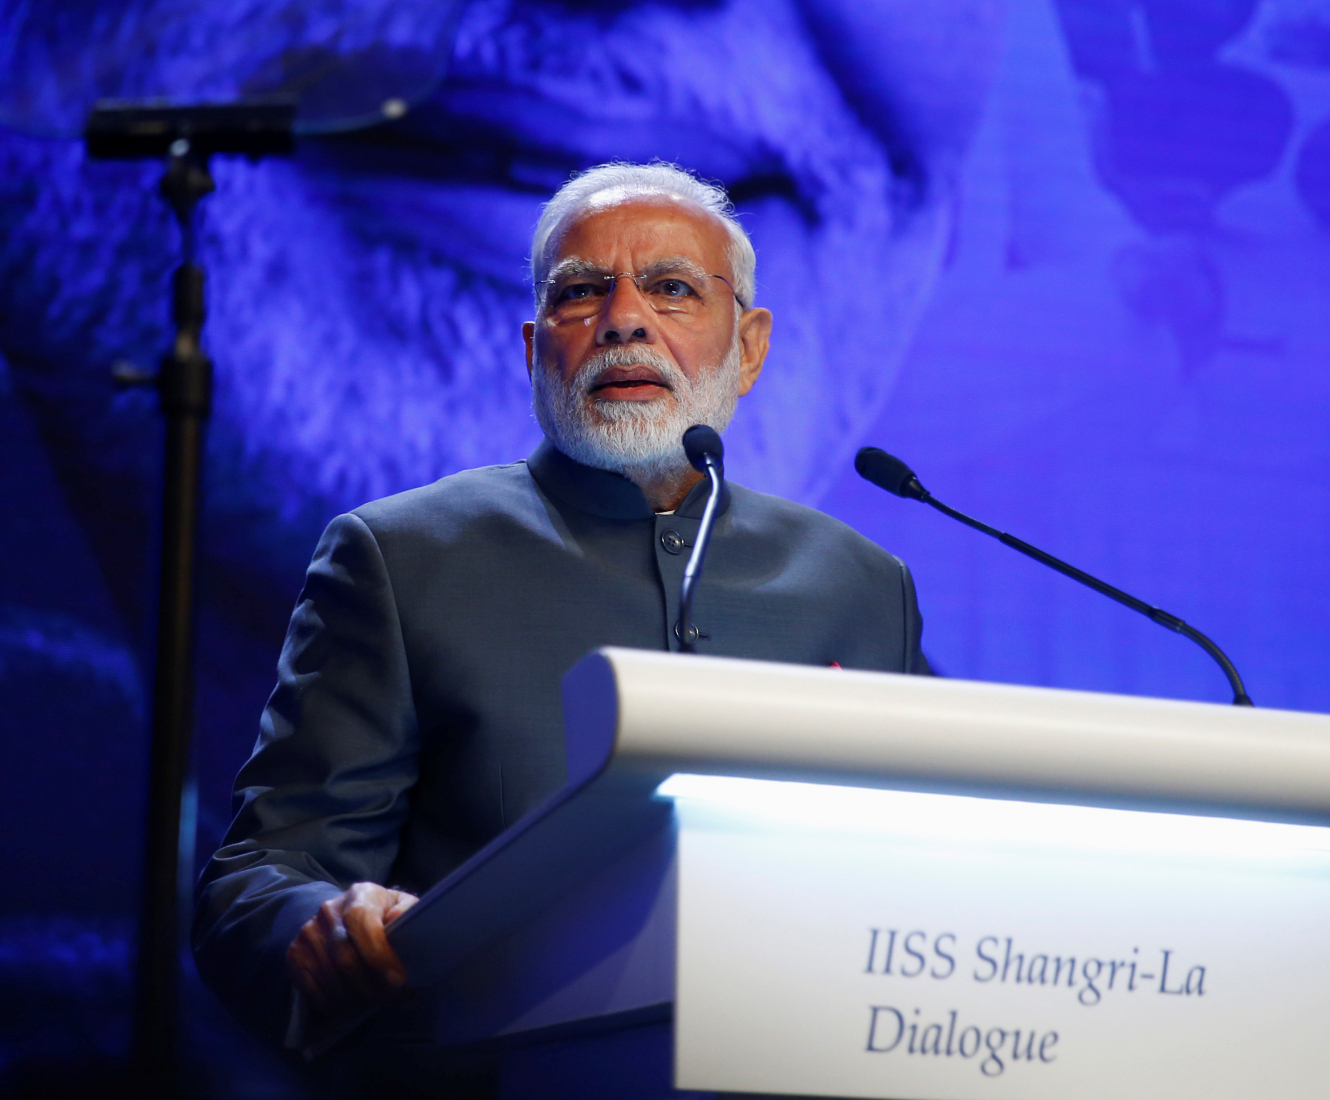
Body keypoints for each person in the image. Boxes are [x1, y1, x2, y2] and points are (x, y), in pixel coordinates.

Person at [192, 162, 930, 1092]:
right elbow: (259, 873)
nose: (624, 318)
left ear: (748, 348)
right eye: (583, 292)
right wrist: (323, 923)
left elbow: (916, 881)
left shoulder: (861, 584)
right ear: (536, 349)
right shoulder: (399, 555)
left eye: (671, 288)